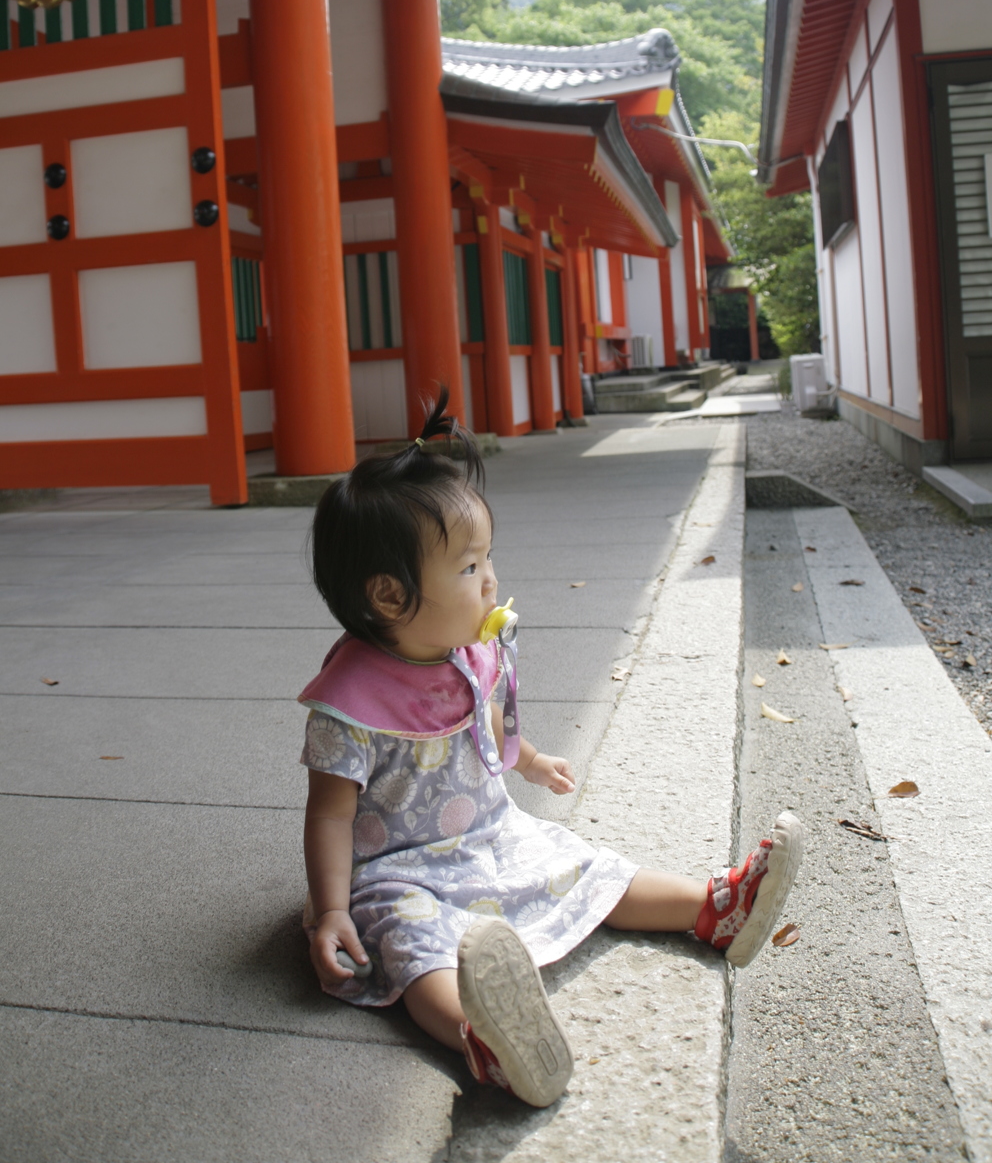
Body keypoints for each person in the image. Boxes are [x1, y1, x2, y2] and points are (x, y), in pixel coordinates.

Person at [300, 390, 804, 1109]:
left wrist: (528, 759)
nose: (492, 580)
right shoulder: (349, 702)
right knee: (415, 949)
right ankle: (485, 1039)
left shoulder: (469, 653)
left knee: (582, 862)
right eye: (469, 568)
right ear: (388, 597)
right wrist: (330, 912)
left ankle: (712, 907)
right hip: (399, 872)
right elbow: (328, 816)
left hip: (493, 836)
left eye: (488, 558)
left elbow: (491, 727)